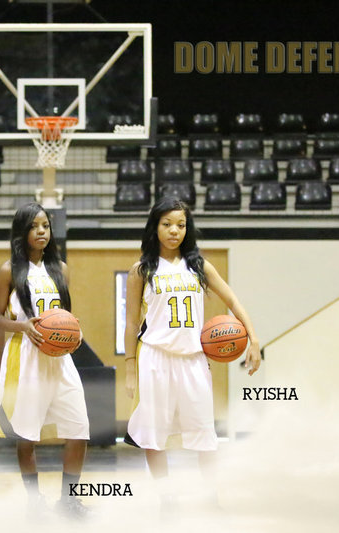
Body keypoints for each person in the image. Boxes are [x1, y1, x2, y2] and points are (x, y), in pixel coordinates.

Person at [123, 197, 261, 510]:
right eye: (167, 224)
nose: (174, 230)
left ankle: (211, 498)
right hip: (155, 358)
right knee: (154, 435)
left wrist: (252, 338)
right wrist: (131, 366)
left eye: (181, 225)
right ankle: (166, 500)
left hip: (194, 359)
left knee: (204, 434)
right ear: (155, 227)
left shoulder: (199, 266)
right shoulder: (141, 270)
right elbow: (131, 323)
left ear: (188, 229)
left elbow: (234, 302)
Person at [0, 202, 89, 520]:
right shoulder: (9, 271)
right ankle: (34, 502)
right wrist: (22, 325)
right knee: (27, 435)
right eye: (34, 226)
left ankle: (69, 500)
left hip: (59, 359)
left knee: (79, 429)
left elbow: (63, 316)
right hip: (26, 355)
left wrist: (72, 328)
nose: (41, 231)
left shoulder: (61, 269)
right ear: (22, 232)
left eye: (45, 225)